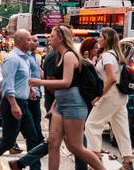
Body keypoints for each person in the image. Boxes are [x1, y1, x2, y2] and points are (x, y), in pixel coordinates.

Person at [22, 25, 104, 170]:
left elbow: (66, 82)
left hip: (73, 104)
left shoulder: (69, 55)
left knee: (75, 146)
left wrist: (40, 82)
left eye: (52, 36)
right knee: (53, 143)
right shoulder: (59, 55)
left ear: (60, 38)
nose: (49, 38)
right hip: (62, 104)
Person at [0, 29, 42, 170]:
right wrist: (12, 104)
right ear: (19, 42)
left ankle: (35, 168)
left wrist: (29, 89)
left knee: (33, 138)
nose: (32, 42)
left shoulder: (25, 58)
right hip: (14, 103)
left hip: (23, 103)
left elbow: (21, 79)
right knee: (8, 142)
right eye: (28, 40)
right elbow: (7, 83)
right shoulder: (12, 59)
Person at [84, 27, 132, 170]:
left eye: (100, 37)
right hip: (121, 96)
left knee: (92, 125)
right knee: (121, 128)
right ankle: (127, 162)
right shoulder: (117, 55)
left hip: (110, 95)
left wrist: (99, 96)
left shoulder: (107, 56)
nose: (98, 40)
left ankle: (96, 161)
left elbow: (110, 78)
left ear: (106, 39)